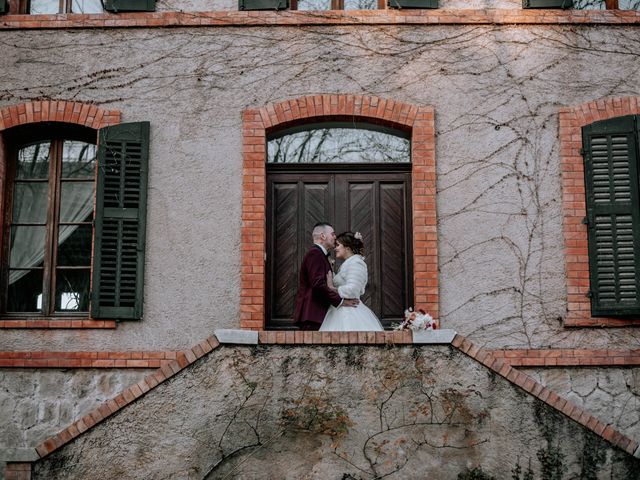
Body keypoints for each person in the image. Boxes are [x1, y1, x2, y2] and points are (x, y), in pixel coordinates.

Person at [293, 223, 359, 331]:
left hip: (318, 315)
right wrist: (340, 301)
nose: (335, 237)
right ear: (323, 236)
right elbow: (318, 284)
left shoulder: (320, 255)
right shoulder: (315, 254)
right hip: (313, 314)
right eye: (332, 234)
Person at [320, 232, 383, 332]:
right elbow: (344, 282)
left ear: (347, 248)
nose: (335, 248)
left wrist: (332, 288)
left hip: (350, 311)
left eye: (338, 245)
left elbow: (353, 289)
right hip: (340, 309)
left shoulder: (356, 263)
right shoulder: (348, 264)